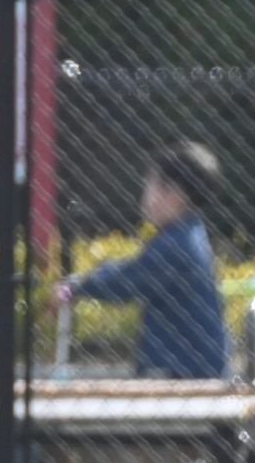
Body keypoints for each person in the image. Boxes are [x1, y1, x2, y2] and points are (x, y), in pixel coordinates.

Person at [61, 141, 230, 380]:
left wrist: (76, 286)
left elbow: (127, 280)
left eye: (149, 185)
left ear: (172, 193)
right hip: (193, 366)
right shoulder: (186, 234)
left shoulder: (175, 245)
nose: (145, 196)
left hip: (180, 371)